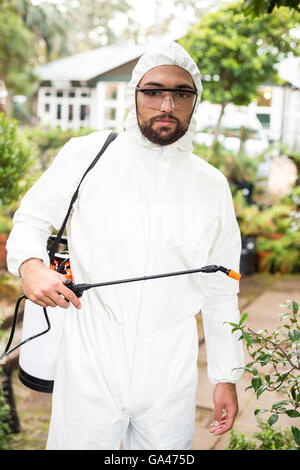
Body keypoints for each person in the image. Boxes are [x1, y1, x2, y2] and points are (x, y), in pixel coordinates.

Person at [6, 40, 244, 450]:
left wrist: (226, 376)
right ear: (134, 94)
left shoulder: (210, 185)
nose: (166, 104)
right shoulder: (87, 156)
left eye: (181, 93)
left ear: (195, 101)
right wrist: (30, 267)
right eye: (153, 91)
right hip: (92, 352)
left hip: (171, 363)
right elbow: (31, 218)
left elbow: (222, 287)